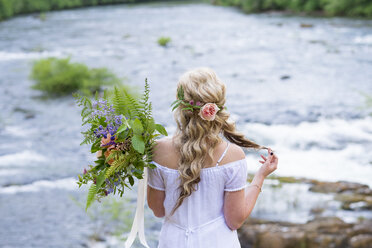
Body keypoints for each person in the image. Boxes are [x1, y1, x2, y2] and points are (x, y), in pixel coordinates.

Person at [147, 67, 278, 248]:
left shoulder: (158, 150)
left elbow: (158, 210)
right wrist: (260, 176)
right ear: (217, 106)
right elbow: (234, 220)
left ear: (180, 106)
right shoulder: (232, 155)